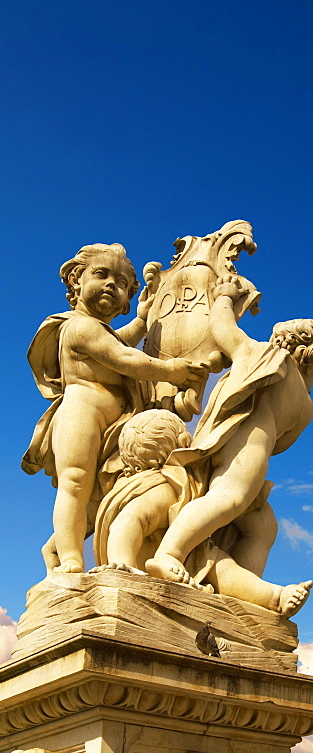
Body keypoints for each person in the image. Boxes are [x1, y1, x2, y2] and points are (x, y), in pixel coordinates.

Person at [22, 243, 207, 573]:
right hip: (81, 415)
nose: (112, 284)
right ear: (76, 280)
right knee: (76, 484)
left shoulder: (100, 331)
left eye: (122, 283)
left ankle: (53, 550)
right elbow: (124, 358)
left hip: (115, 424)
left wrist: (141, 320)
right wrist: (172, 370)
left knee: (97, 500)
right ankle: (70, 560)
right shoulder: (78, 326)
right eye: (101, 274)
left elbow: (118, 342)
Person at [145, 276, 313, 588]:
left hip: (258, 448)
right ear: (309, 353)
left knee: (263, 526)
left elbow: (282, 442)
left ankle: (240, 593)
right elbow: (225, 332)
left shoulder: (305, 401)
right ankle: (169, 553)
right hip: (246, 437)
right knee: (230, 496)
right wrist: (224, 296)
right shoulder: (274, 360)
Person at [93, 409, 312, 617]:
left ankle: (275, 597)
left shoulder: (168, 485)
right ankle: (274, 597)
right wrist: (122, 564)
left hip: (185, 560)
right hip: (146, 565)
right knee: (221, 567)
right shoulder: (161, 487)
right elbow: (128, 520)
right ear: (180, 444)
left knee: (221, 566)